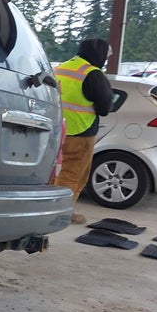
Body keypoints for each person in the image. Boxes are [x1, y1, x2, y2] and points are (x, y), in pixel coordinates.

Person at [53, 38, 114, 224]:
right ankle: (62, 214)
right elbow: (104, 108)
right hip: (81, 132)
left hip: (55, 131)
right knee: (73, 176)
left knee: (53, 174)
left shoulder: (60, 68)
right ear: (100, 55)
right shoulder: (93, 74)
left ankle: (45, 209)